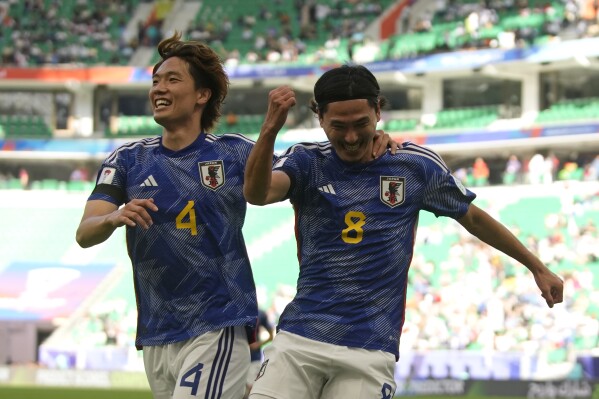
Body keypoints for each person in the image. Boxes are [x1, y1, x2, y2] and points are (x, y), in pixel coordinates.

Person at [75, 33, 396, 399]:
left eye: (172, 79)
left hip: (217, 323)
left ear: (202, 94)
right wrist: (113, 217)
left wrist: (377, 140)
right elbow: (85, 233)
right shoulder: (127, 160)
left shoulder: (235, 154)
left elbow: (315, 169)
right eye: (155, 81)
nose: (159, 88)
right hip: (156, 331)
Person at [243, 64, 564, 399]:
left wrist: (536, 266)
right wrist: (269, 130)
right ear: (319, 117)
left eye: (361, 124)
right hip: (300, 339)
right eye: (338, 126)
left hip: (369, 349)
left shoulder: (414, 166)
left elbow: (473, 218)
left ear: (378, 111)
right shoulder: (306, 161)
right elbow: (257, 193)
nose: (350, 137)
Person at [245, 308, 275, 399]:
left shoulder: (260, 313)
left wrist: (258, 344)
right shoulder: (239, 310)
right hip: (238, 357)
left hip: (253, 358)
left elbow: (271, 334)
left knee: (251, 389)